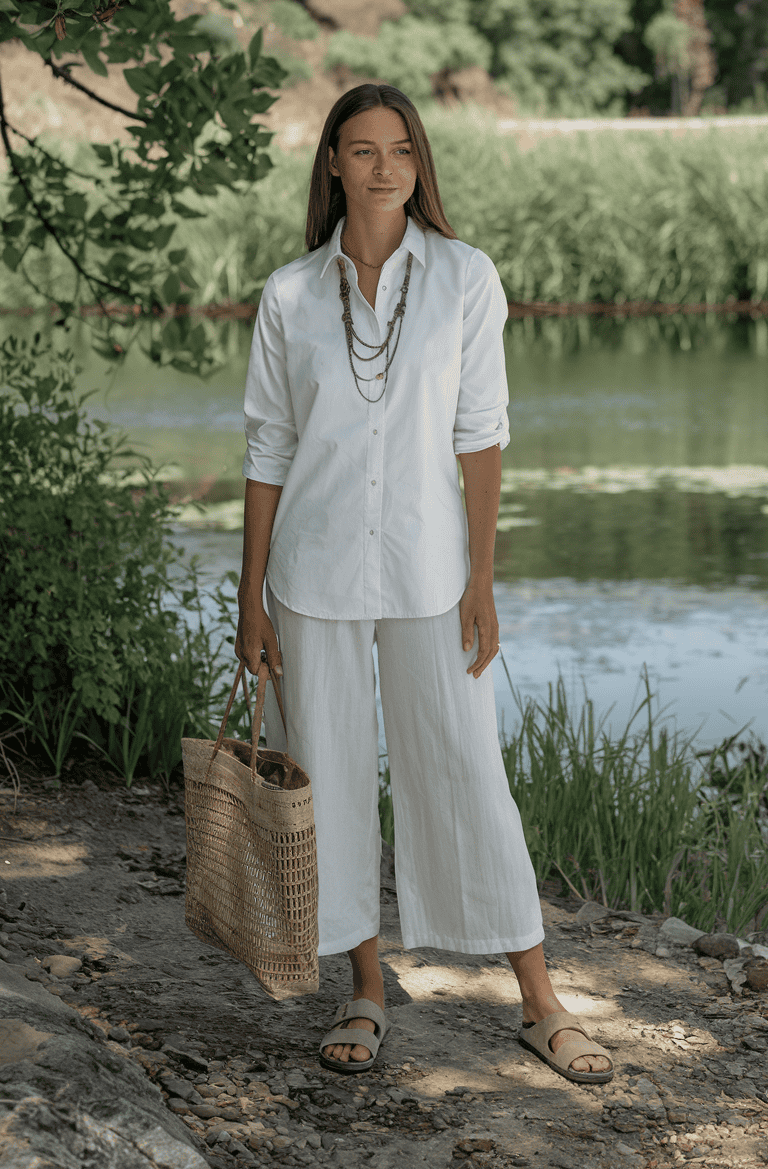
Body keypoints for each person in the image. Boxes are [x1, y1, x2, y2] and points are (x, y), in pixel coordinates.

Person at [235, 83, 613, 1084]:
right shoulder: (289, 295)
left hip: (432, 568)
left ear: (420, 162)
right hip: (310, 570)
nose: (386, 167)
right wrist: (248, 596)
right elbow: (269, 448)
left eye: (402, 148)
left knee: (464, 767)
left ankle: (539, 998)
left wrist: (483, 577)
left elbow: (481, 432)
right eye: (363, 150)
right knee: (332, 772)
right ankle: (365, 985)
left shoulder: (464, 277)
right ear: (332, 164)